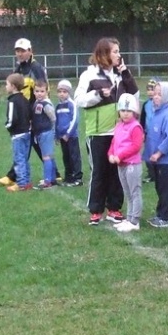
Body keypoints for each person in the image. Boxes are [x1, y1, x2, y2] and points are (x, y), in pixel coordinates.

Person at [74, 37, 138, 226]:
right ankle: (96, 210)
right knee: (99, 171)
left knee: (116, 172)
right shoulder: (89, 75)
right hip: (98, 132)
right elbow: (78, 100)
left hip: (119, 132)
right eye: (115, 51)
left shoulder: (120, 75)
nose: (119, 55)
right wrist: (97, 95)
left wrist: (126, 74)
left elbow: (134, 96)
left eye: (119, 51)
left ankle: (114, 208)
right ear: (104, 54)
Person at [0, 38, 48, 187]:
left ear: (30, 51)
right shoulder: (19, 68)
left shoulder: (36, 68)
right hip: (24, 110)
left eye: (23, 51)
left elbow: (43, 89)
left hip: (32, 112)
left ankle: (17, 177)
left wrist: (39, 110)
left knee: (28, 144)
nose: (19, 54)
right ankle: (15, 175)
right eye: (17, 51)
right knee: (31, 143)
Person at [108, 93, 145, 232]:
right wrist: (111, 154)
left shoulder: (135, 127)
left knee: (135, 192)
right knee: (127, 192)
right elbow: (114, 142)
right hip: (121, 164)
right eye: (123, 110)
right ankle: (129, 218)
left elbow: (136, 146)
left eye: (129, 110)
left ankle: (135, 220)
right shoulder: (119, 125)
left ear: (134, 112)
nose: (125, 113)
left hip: (131, 164)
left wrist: (120, 155)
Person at [146, 82, 168, 228]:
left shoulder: (167, 116)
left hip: (165, 161)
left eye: (159, 94)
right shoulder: (157, 113)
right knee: (160, 188)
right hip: (157, 161)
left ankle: (167, 217)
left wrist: (159, 153)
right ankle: (160, 213)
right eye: (155, 93)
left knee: (166, 189)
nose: (155, 96)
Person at [5, 74, 32, 192]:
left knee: (19, 159)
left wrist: (8, 126)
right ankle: (27, 181)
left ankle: (21, 183)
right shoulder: (25, 100)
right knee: (24, 158)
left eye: (7, 84)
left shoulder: (12, 101)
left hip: (18, 135)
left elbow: (12, 118)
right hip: (27, 133)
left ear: (13, 86)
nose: (5, 87)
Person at [55, 80, 83, 186]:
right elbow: (56, 121)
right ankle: (68, 177)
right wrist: (57, 135)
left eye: (64, 91)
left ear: (69, 92)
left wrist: (68, 134)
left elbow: (75, 120)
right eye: (60, 91)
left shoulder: (72, 104)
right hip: (62, 137)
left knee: (74, 156)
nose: (62, 94)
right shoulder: (58, 106)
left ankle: (77, 178)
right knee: (66, 157)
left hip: (71, 136)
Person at [31, 80, 57, 189]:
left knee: (46, 157)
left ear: (47, 92)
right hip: (40, 133)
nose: (39, 93)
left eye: (42, 91)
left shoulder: (46, 104)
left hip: (46, 132)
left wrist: (53, 132)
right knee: (48, 156)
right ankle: (53, 178)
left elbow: (53, 118)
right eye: (37, 91)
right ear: (34, 92)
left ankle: (47, 181)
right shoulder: (37, 103)